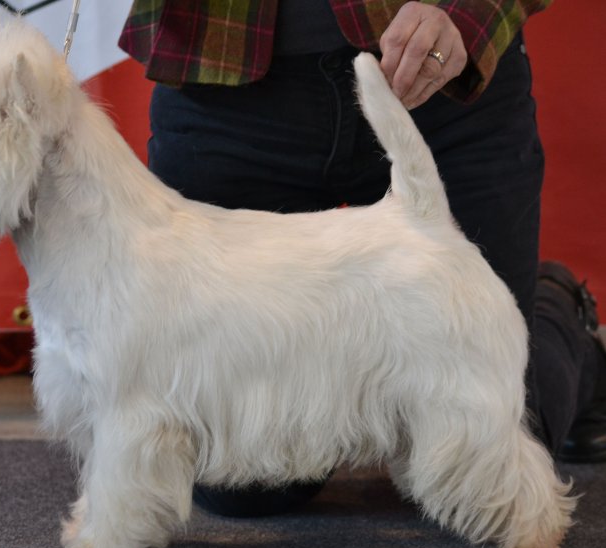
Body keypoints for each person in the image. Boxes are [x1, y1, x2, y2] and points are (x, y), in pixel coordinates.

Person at [118, 0, 606, 517]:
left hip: (443, 78)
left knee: (502, 440)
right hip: (229, 94)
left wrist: (466, 12)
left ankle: (561, 314)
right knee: (240, 483)